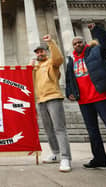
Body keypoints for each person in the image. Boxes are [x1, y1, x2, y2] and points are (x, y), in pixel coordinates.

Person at [66, 23, 106, 169]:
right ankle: (99, 159)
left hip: (102, 96)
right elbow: (69, 79)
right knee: (92, 131)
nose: (77, 45)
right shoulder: (71, 60)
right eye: (75, 43)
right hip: (84, 100)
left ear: (84, 43)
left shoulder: (95, 51)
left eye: (79, 42)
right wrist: (70, 92)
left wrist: (96, 30)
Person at [31, 34, 72, 172]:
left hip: (54, 97)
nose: (39, 53)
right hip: (41, 100)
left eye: (41, 51)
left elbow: (59, 58)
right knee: (48, 130)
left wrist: (51, 43)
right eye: (37, 52)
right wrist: (29, 69)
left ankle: (65, 158)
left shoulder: (52, 63)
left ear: (46, 52)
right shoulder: (35, 68)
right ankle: (55, 153)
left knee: (59, 129)